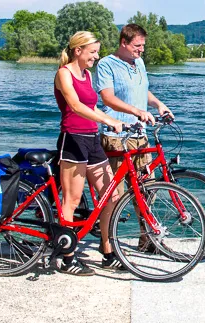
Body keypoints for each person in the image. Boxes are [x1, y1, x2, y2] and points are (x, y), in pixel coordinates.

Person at [94, 23, 174, 260]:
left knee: (146, 190)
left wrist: (158, 105)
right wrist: (135, 111)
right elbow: (107, 97)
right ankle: (107, 246)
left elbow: (143, 91)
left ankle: (146, 239)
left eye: (143, 46)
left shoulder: (139, 63)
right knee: (114, 196)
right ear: (124, 43)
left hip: (140, 136)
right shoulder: (107, 64)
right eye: (138, 46)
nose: (142, 51)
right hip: (116, 137)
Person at [54, 31, 123, 276]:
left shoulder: (87, 74)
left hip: (92, 140)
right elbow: (75, 106)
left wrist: (113, 119)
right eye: (93, 51)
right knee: (71, 201)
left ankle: (107, 252)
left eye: (97, 51)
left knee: (111, 196)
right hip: (72, 140)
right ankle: (68, 258)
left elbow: (91, 104)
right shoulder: (64, 73)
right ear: (78, 50)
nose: (97, 56)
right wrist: (106, 118)